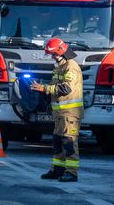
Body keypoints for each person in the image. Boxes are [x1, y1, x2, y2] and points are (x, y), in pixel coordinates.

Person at [31, 37, 84, 182]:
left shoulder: (70, 66)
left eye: (54, 54)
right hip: (60, 112)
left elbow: (67, 88)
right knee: (57, 141)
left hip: (70, 113)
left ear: (61, 51)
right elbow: (57, 87)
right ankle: (58, 170)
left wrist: (45, 88)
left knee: (69, 142)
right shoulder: (60, 66)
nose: (52, 56)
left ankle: (71, 172)